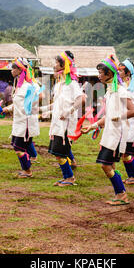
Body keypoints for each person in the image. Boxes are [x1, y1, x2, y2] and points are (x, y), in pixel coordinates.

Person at [82, 55, 134, 205]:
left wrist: (119, 117)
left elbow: (133, 111)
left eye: (101, 72)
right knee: (109, 165)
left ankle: (122, 194)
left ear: (110, 73)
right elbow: (108, 116)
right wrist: (93, 126)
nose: (99, 75)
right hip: (109, 133)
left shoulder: (121, 91)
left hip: (117, 135)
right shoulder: (110, 91)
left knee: (105, 164)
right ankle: (120, 193)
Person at [45, 51, 84, 186]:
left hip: (66, 125)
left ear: (63, 65)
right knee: (58, 153)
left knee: (60, 153)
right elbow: (57, 104)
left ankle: (70, 178)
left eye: (56, 62)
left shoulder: (72, 84)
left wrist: (69, 111)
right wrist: (43, 109)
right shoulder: (59, 85)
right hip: (57, 123)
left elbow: (81, 99)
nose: (54, 65)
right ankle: (67, 177)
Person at [3, 58, 41, 178]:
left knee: (18, 147)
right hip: (19, 121)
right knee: (17, 145)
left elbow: (38, 99)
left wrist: (27, 109)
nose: (11, 70)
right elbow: (18, 102)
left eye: (13, 68)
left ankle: (27, 170)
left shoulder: (29, 86)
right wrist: (8, 108)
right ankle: (26, 168)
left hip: (26, 122)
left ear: (20, 70)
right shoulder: (20, 85)